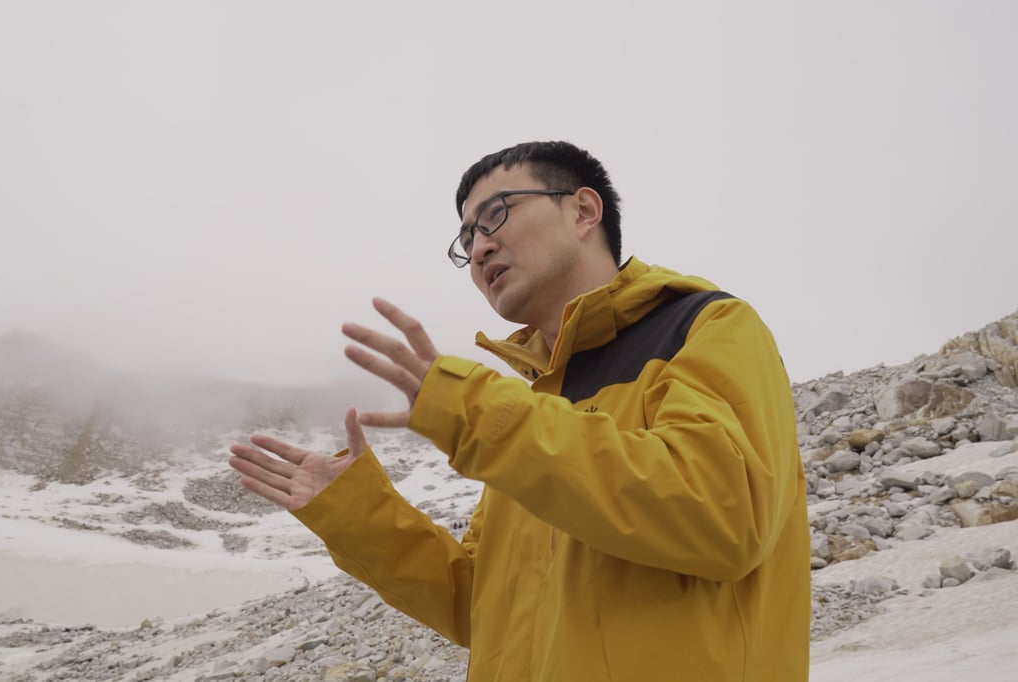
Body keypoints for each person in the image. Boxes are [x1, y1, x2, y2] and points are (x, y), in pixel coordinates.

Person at [229, 141, 810, 681]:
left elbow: (722, 514)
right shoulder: (533, 411)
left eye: (497, 214)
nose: (479, 247)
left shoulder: (706, 328)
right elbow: (479, 605)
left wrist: (477, 413)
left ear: (584, 211)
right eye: (467, 238)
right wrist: (356, 512)